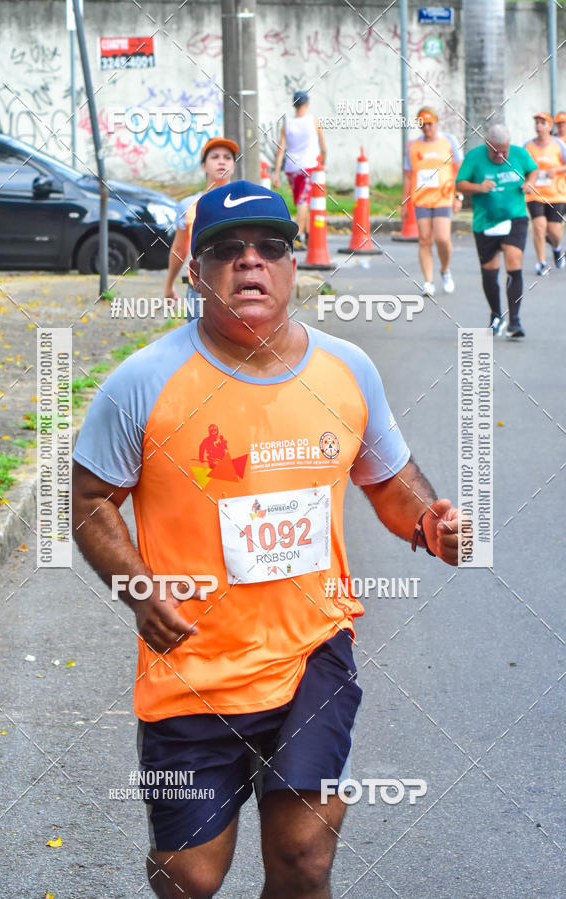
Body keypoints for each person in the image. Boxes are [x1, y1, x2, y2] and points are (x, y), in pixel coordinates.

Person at [72, 180, 464, 899]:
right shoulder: (142, 382)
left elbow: (388, 477)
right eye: (226, 250)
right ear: (196, 270)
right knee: (188, 876)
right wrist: (138, 588)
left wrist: (426, 523)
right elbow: (90, 499)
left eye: (270, 247)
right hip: (192, 665)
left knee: (304, 853)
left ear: (291, 267)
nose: (249, 262)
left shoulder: (346, 370)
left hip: (311, 648)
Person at [456, 124, 538, 339]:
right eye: (495, 151)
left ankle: (515, 321)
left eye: (504, 151)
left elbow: (533, 170)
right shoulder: (474, 157)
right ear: (487, 145)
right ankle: (495, 314)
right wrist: (478, 187)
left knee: (514, 261)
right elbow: (460, 184)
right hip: (486, 222)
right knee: (490, 270)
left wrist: (530, 183)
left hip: (515, 218)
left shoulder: (520, 154)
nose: (501, 155)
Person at [164, 136, 238, 304]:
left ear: (233, 165)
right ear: (204, 165)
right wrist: (169, 285)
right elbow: (179, 248)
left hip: (238, 288)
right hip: (199, 289)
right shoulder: (188, 205)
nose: (222, 162)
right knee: (197, 331)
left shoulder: (246, 202)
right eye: (215, 157)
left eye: (227, 158)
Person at [402, 107, 463, 297]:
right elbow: (408, 176)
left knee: (442, 238)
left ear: (436, 123)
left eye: (429, 123)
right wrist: (404, 203)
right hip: (421, 199)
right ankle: (428, 281)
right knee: (424, 240)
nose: (426, 128)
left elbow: (459, 169)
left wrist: (458, 195)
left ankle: (445, 270)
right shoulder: (413, 146)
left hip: (443, 198)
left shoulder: (448, 141)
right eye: (422, 124)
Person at [272, 90, 326, 249]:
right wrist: (323, 161)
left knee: (302, 202)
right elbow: (323, 146)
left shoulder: (287, 123)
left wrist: (276, 173)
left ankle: (310, 235)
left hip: (291, 168)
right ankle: (297, 237)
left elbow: (281, 149)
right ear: (306, 104)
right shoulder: (314, 121)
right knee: (304, 202)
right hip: (309, 166)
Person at [523, 112, 566, 274]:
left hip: (556, 193)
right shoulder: (528, 146)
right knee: (539, 226)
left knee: (553, 230)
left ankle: (556, 248)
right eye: (537, 123)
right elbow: (521, 167)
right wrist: (526, 181)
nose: (539, 126)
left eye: (543, 123)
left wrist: (556, 169)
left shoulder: (559, 145)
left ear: (550, 127)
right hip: (535, 194)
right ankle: (541, 262)